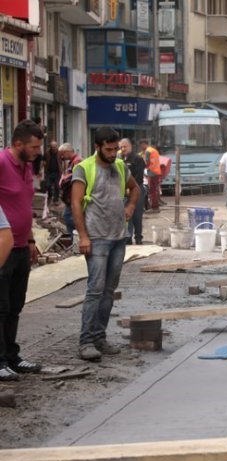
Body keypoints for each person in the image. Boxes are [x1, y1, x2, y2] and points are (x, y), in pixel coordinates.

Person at [71, 127, 140, 361]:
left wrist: (130, 207)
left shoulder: (120, 166)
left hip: (118, 238)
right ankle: (86, 341)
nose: (113, 154)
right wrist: (83, 236)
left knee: (109, 292)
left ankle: (100, 337)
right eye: (108, 150)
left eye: (116, 149)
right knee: (95, 290)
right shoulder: (84, 168)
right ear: (97, 147)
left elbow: (135, 189)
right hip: (97, 239)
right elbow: (75, 203)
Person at [0, 120, 44, 381]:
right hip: (3, 248)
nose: (38, 151)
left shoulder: (26, 167)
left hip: (20, 248)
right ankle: (0, 359)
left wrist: (29, 240)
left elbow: (24, 206)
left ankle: (12, 356)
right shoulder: (2, 164)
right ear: (18, 144)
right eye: (34, 146)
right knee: (0, 307)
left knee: (15, 305)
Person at [119, 138, 146, 245]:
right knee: (126, 215)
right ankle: (128, 237)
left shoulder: (138, 159)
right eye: (121, 147)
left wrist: (131, 188)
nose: (123, 149)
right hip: (124, 191)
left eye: (125, 146)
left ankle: (138, 237)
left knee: (137, 215)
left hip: (137, 190)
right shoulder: (120, 160)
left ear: (130, 146)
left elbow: (139, 177)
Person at [58, 143, 83, 235]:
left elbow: (75, 177)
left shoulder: (77, 161)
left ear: (68, 152)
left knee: (69, 217)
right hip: (70, 196)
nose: (61, 157)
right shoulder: (72, 162)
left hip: (74, 196)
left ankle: (79, 237)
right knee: (69, 217)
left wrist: (63, 179)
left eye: (62, 154)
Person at [139, 139, 161, 213]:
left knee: (152, 190)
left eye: (141, 145)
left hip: (152, 172)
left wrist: (142, 169)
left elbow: (147, 163)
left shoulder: (148, 151)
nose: (141, 147)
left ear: (144, 144)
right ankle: (155, 206)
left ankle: (154, 207)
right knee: (154, 190)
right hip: (157, 172)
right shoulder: (153, 150)